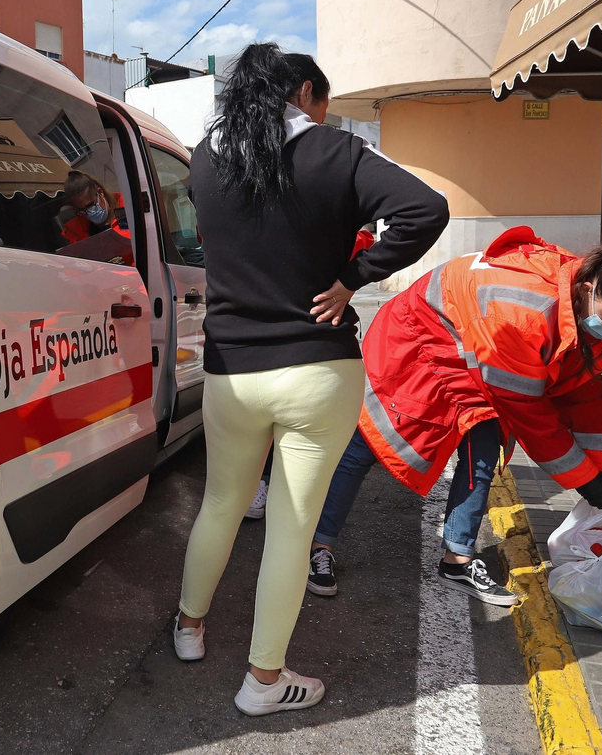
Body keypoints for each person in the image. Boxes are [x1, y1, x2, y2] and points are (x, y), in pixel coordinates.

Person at [173, 43, 448, 716]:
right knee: (292, 529)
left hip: (230, 367)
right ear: (302, 92)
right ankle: (263, 682)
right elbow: (426, 209)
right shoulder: (335, 154)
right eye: (322, 103)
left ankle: (188, 628)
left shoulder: (207, 158)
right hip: (317, 368)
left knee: (220, 502)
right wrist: (353, 276)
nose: (326, 115)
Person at [305, 231, 602, 609]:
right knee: (370, 443)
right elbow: (528, 412)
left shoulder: (579, 302)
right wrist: (586, 481)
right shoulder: (523, 311)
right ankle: (318, 544)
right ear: (588, 288)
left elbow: (584, 390)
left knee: (483, 452)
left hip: (478, 349)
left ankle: (457, 560)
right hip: (419, 344)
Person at [246, 225, 377, 521]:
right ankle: (276, 488)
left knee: (263, 423)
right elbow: (365, 240)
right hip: (317, 344)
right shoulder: (341, 229)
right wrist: (349, 280)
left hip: (266, 340)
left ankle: (261, 484)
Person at [61, 171, 126, 243]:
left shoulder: (129, 208)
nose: (89, 212)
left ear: (100, 192)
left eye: (90, 205)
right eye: (82, 210)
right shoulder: (77, 231)